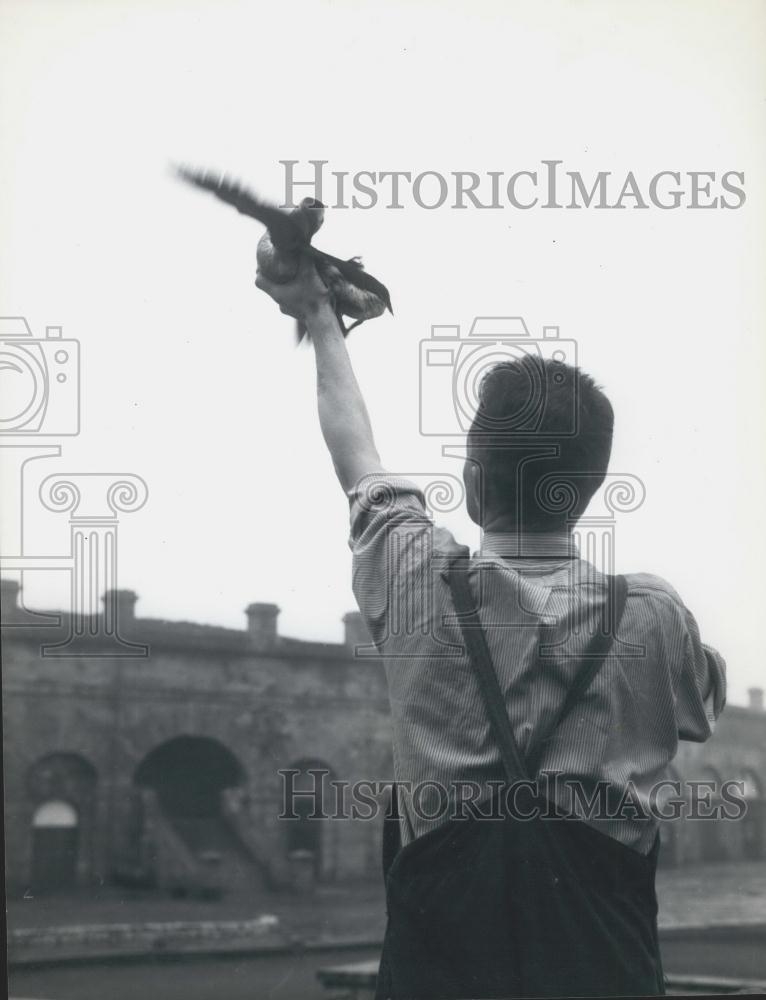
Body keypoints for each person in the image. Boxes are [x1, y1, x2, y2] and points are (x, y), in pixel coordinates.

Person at [255, 257, 726, 999]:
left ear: (473, 484)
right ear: (586, 491)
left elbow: (356, 455)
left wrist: (320, 318)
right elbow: (705, 698)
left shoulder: (411, 575)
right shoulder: (656, 616)